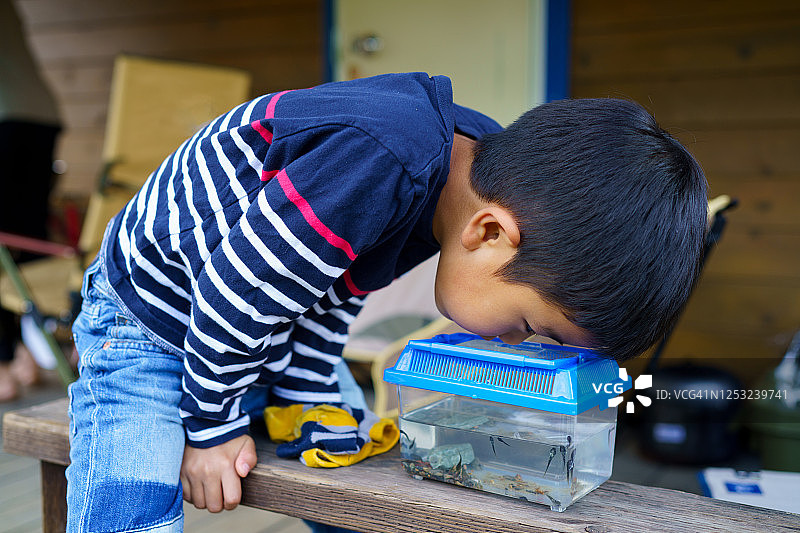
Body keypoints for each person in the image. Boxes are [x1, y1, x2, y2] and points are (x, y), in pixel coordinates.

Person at [66, 72, 707, 532]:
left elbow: (334, 287)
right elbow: (240, 289)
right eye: (525, 326)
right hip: (151, 322)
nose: (514, 344)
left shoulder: (468, 166)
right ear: (490, 234)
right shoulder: (382, 152)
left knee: (352, 459)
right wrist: (209, 430)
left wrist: (308, 388)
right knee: (135, 509)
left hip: (250, 332)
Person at [0, 0, 62, 401]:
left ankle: (5, 362)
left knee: (8, 241)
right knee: (28, 233)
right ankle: (29, 355)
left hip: (6, 116)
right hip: (40, 112)